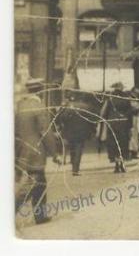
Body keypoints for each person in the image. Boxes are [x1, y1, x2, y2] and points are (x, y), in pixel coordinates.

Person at [15, 79, 61, 224]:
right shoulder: (39, 107)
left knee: (40, 183)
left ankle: (40, 216)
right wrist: (54, 154)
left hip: (22, 150)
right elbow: (46, 132)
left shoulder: (20, 106)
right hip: (36, 152)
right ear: (41, 90)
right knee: (33, 183)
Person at [57, 93, 95, 176]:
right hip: (81, 132)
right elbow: (91, 120)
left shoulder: (68, 107)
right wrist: (91, 131)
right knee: (78, 150)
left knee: (72, 148)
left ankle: (73, 164)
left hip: (69, 131)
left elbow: (62, 118)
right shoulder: (86, 107)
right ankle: (75, 169)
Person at [98, 82, 132, 173]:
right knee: (123, 144)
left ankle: (116, 165)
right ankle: (122, 164)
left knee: (113, 144)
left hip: (112, 124)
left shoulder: (109, 98)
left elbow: (103, 113)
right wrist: (129, 125)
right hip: (123, 123)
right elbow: (130, 112)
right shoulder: (126, 98)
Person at [128, 87, 139, 159]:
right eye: (136, 93)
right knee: (133, 135)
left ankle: (135, 152)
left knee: (137, 136)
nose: (137, 94)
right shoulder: (129, 99)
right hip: (133, 118)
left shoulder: (137, 100)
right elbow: (132, 108)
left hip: (138, 118)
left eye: (138, 93)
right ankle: (132, 152)